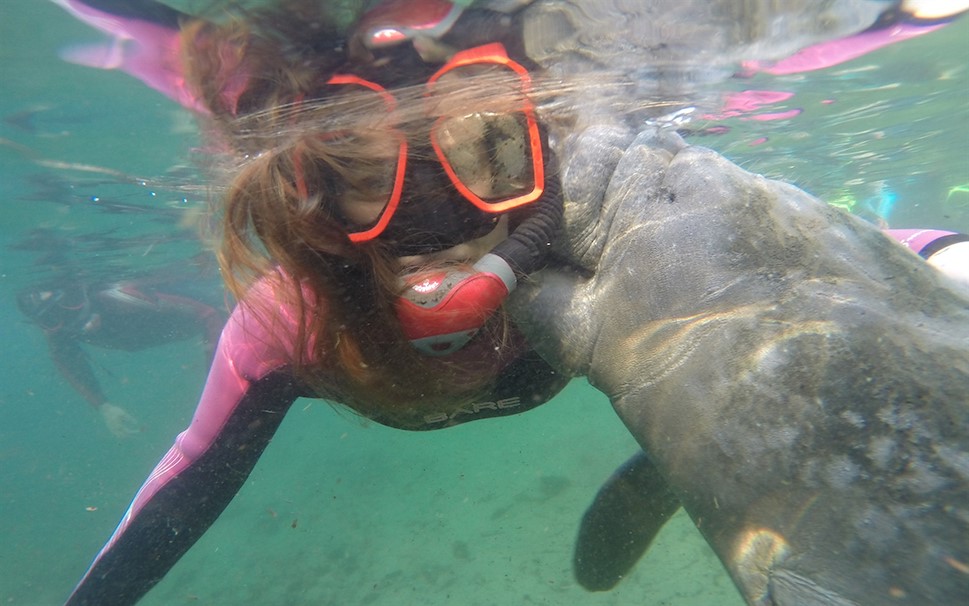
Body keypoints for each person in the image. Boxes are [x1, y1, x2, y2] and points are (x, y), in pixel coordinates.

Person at [49, 0, 968, 605]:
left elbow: (816, 261)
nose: (453, 266)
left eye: (490, 161)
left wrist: (948, 260)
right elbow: (182, 490)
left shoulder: (574, 227)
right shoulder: (293, 325)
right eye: (367, 187)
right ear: (321, 220)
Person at [17, 269, 228, 437]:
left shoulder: (118, 297)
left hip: (227, 303)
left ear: (79, 290)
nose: (70, 316)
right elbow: (69, 361)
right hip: (201, 322)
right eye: (52, 318)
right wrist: (104, 406)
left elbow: (209, 314)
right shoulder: (60, 332)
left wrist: (217, 385)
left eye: (71, 301)